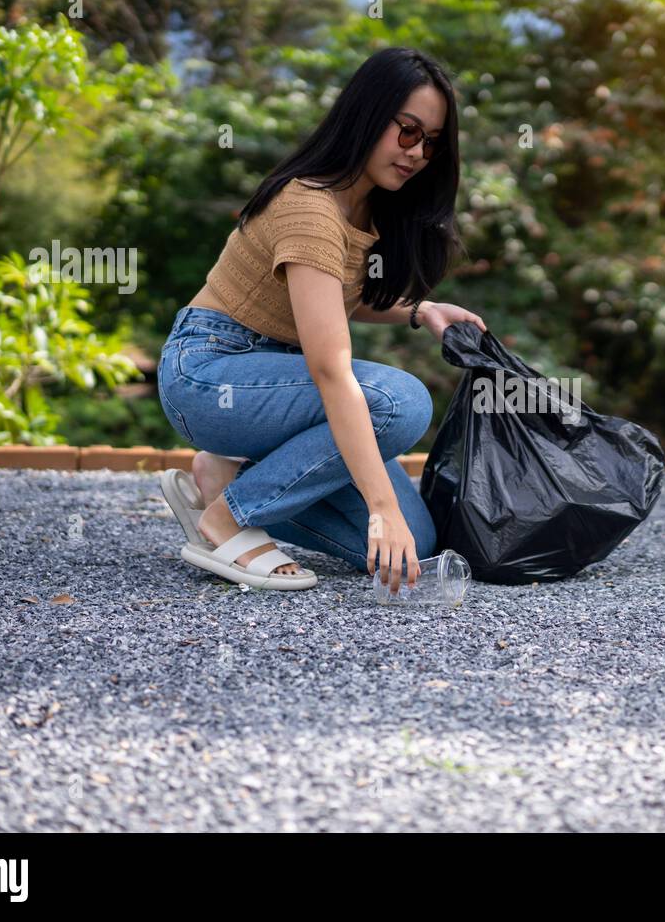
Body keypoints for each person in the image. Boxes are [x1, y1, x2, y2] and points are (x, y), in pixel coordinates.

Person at [156, 47, 485, 593]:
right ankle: (229, 517)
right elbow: (331, 370)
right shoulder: (309, 206)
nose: (417, 152)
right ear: (367, 114)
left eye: (430, 143)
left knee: (414, 544)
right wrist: (381, 504)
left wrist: (421, 310)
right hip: (211, 374)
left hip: (275, 387)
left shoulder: (369, 208)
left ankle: (227, 481)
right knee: (398, 403)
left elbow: (334, 299)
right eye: (408, 131)